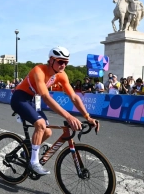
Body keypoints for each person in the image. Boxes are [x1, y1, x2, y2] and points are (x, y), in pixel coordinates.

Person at [10, 46, 99, 175]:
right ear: (51, 60)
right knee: (40, 124)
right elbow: (46, 97)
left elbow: (74, 97)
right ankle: (34, 163)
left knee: (48, 132)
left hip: (35, 99)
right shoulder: (39, 70)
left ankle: (27, 152)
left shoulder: (61, 75)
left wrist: (87, 117)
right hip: (20, 98)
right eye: (60, 61)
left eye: (66, 62)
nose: (63, 65)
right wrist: (69, 117)